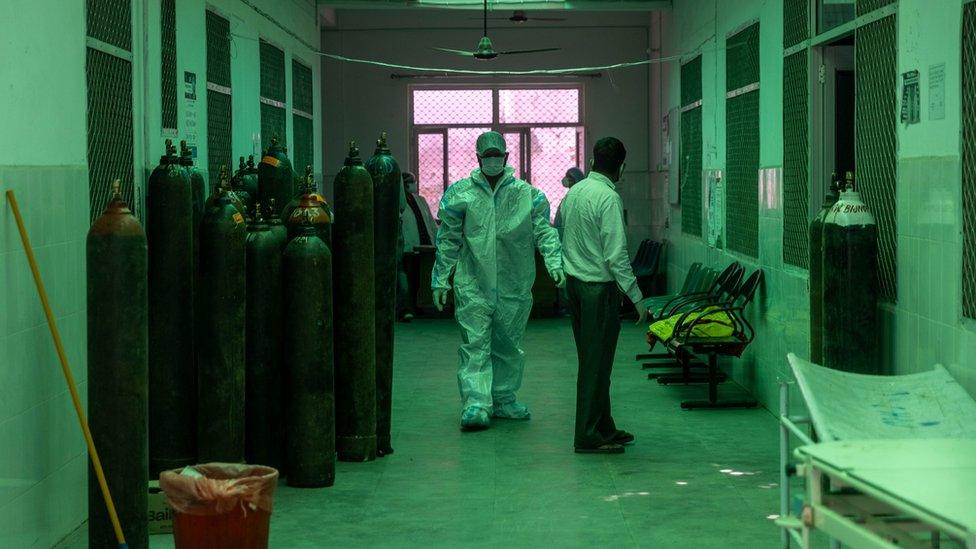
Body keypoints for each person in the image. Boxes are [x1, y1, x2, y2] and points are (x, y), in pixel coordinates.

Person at [432, 131, 564, 431]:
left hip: (514, 284)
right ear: (478, 159)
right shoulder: (460, 194)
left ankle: (503, 398)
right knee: (474, 344)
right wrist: (440, 279)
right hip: (473, 283)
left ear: (506, 157)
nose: (492, 160)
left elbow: (545, 230)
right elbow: (448, 240)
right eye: (487, 155)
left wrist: (554, 261)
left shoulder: (528, 195)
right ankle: (476, 403)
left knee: (508, 344)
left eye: (497, 155)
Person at [560, 137, 648, 454]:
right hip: (598, 290)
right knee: (596, 364)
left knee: (594, 361)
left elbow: (560, 232)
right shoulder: (608, 199)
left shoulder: (575, 193)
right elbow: (616, 257)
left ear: (593, 161)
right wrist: (637, 298)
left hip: (575, 287)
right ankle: (586, 434)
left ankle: (603, 425)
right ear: (621, 168)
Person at [397, 172, 421, 322]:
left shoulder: (419, 200)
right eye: (412, 182)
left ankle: (415, 307)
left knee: (417, 280)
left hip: (419, 248)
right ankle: (406, 309)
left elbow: (428, 223)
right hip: (405, 248)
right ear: (405, 184)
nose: (414, 185)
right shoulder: (400, 204)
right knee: (405, 278)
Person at [553, 167, 586, 234]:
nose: (566, 180)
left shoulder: (582, 197)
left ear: (577, 180)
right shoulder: (567, 199)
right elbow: (558, 223)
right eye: (567, 177)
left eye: (570, 179)